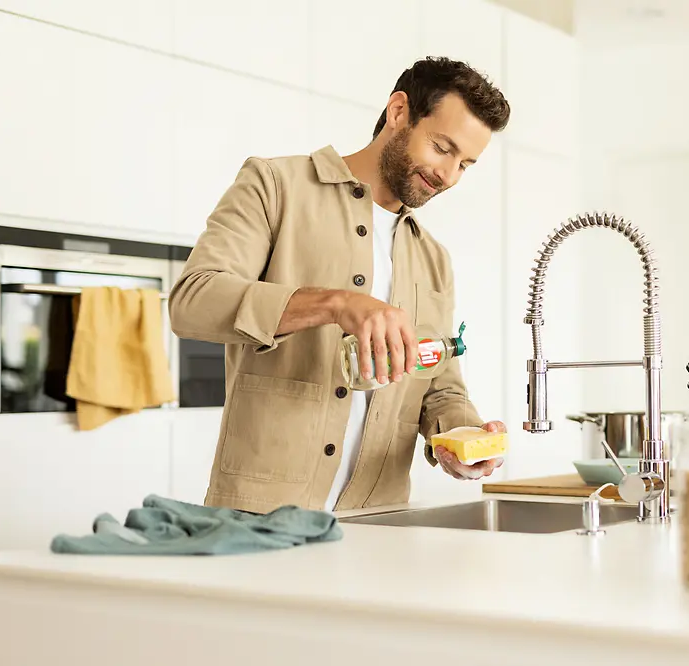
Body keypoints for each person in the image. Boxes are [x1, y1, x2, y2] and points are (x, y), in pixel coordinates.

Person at [168, 57, 511, 515]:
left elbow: (438, 382)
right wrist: (334, 303)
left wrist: (461, 435)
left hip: (380, 519)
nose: (448, 175)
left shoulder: (434, 258)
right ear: (398, 112)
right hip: (261, 516)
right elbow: (193, 301)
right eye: (441, 148)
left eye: (465, 164)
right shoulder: (275, 185)